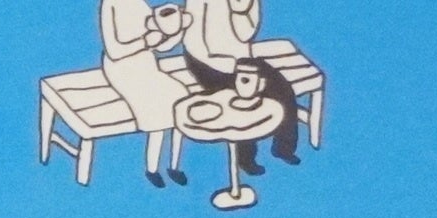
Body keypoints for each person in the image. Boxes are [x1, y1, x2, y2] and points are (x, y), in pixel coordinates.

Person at [181, 0, 299, 174]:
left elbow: (245, 34)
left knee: (283, 90)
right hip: (205, 63)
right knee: (242, 100)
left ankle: (284, 148)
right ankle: (245, 158)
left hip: (240, 59)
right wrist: (229, 66)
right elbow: (194, 43)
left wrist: (242, 10)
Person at [98, 0, 193, 188]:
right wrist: (145, 42)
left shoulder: (139, 4)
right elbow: (114, 51)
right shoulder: (110, 5)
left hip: (146, 65)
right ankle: (152, 169)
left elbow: (160, 46)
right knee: (156, 109)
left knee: (181, 97)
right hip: (122, 69)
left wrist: (179, 29)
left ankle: (174, 165)